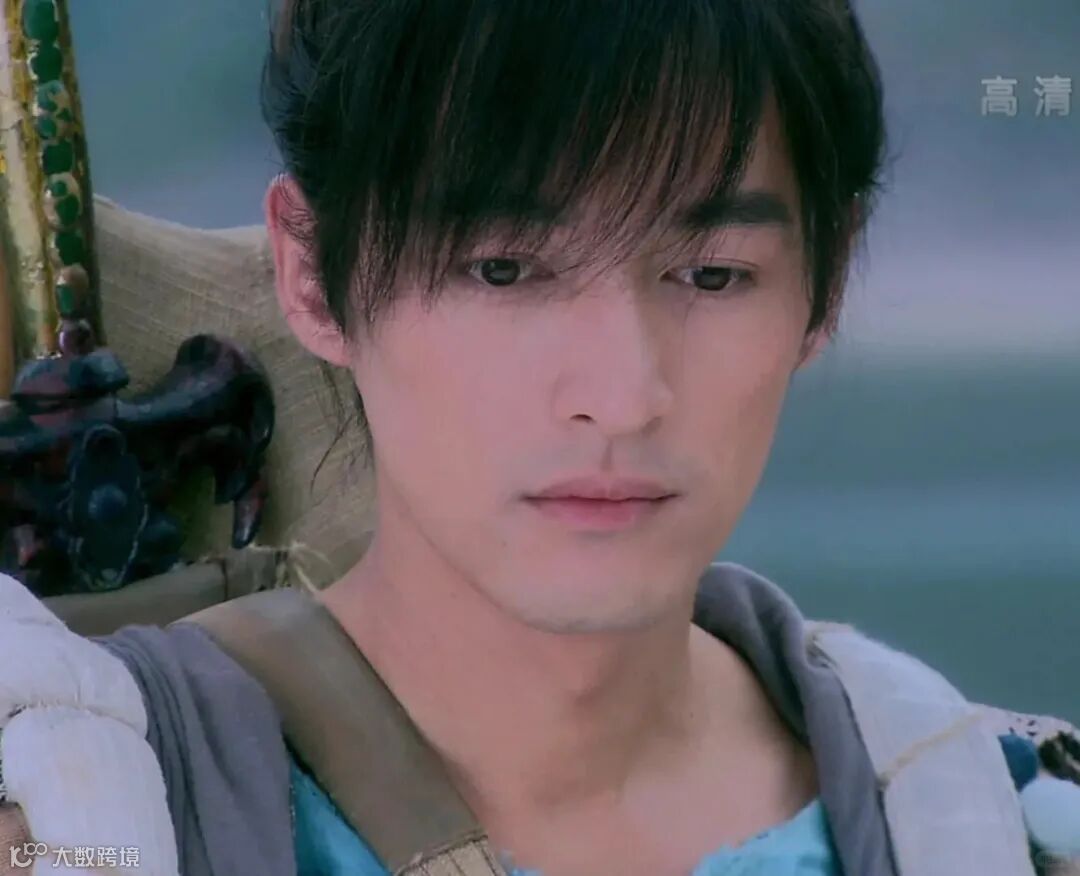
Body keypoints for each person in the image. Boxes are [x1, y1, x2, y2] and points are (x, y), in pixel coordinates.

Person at [1, 1, 1078, 875]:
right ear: (313, 274)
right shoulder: (78, 818)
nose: (622, 395)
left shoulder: (986, 818)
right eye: (504, 270)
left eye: (712, 275)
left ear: (825, 284)